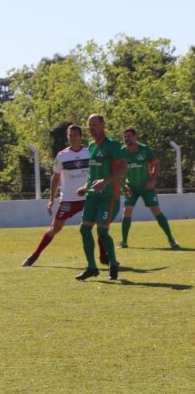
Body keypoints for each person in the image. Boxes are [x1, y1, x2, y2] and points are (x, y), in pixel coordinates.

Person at [23, 125, 93, 266]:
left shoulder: (90, 152)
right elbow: (55, 178)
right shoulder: (62, 155)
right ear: (68, 137)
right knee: (55, 228)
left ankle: (105, 257)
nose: (73, 138)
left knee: (99, 227)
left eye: (75, 135)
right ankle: (34, 256)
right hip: (69, 199)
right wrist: (51, 199)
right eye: (70, 135)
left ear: (81, 136)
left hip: (88, 197)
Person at [75, 115, 127, 281]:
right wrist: (86, 187)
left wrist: (104, 181)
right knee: (84, 229)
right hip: (92, 195)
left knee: (102, 231)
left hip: (109, 196)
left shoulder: (112, 145)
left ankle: (113, 263)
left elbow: (123, 168)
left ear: (103, 125)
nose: (92, 128)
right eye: (89, 125)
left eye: (95, 125)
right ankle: (92, 267)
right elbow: (93, 172)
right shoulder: (91, 146)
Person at [118, 128, 180, 249]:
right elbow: (117, 170)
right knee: (127, 211)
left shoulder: (144, 149)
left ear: (135, 137)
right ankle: (124, 241)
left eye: (129, 136)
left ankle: (171, 239)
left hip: (146, 186)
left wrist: (153, 180)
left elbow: (156, 164)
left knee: (156, 211)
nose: (127, 139)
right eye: (125, 137)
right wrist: (123, 185)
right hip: (131, 187)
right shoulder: (121, 152)